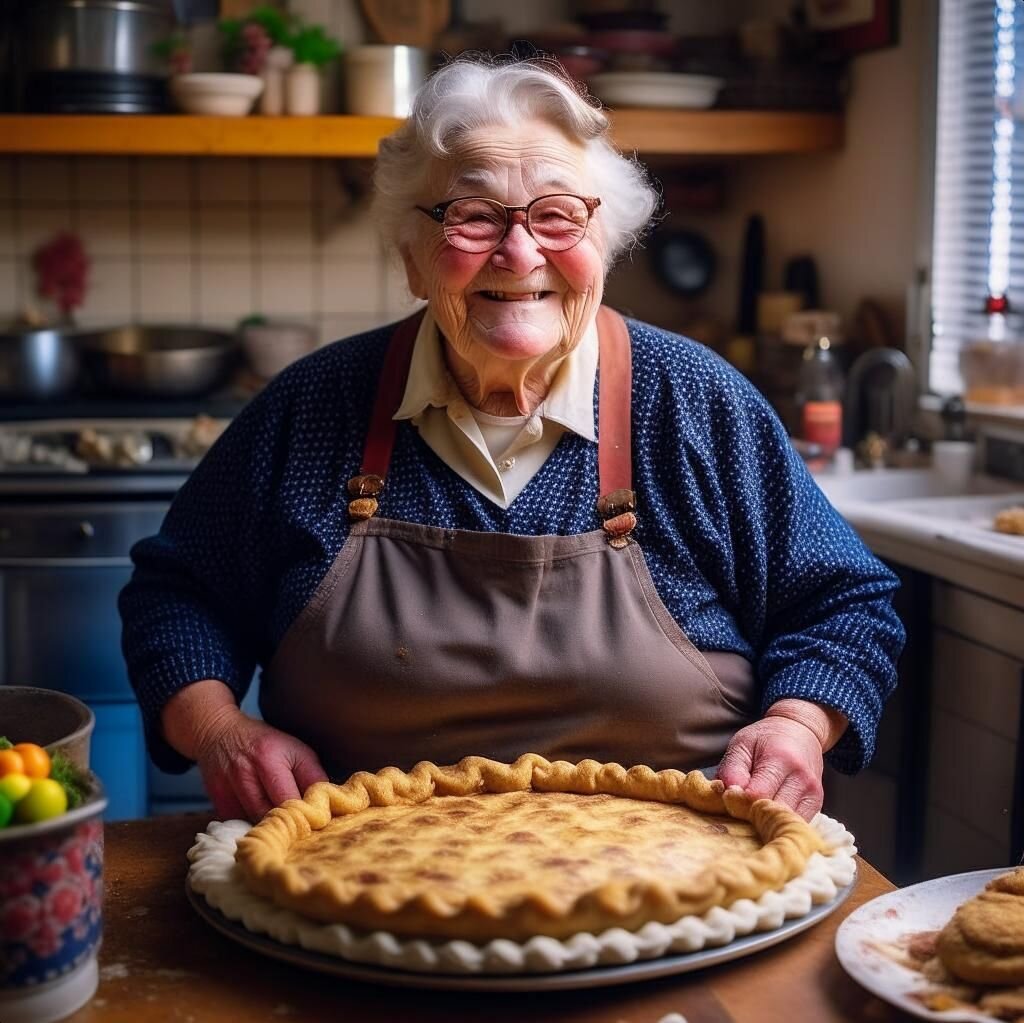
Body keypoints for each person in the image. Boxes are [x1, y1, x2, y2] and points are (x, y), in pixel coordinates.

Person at [119, 57, 904, 825]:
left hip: (684, 886)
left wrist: (799, 723)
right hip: (359, 887)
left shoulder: (696, 402)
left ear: (605, 241)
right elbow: (178, 593)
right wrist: (219, 728)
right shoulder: (313, 407)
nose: (520, 252)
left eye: (558, 214)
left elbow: (844, 602)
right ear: (411, 255)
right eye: (473, 214)